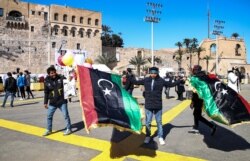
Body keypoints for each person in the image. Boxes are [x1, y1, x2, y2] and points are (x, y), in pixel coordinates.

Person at [133, 67, 180, 145]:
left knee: (159, 122)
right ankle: (148, 136)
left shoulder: (161, 80)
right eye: (151, 73)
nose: (153, 75)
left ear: (157, 73)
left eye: (155, 73)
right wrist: (128, 77)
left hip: (158, 104)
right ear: (150, 73)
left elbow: (170, 84)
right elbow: (136, 82)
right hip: (148, 104)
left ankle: (160, 137)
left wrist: (179, 81)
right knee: (148, 122)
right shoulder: (146, 80)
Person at [43, 66, 72, 136]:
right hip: (52, 103)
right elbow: (46, 92)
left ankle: (69, 128)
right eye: (52, 73)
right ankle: (49, 130)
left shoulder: (61, 78)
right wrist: (45, 102)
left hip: (62, 101)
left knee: (66, 115)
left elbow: (68, 83)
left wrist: (70, 79)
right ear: (49, 74)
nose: (54, 74)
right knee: (49, 116)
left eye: (54, 72)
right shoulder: (46, 81)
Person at [190, 65, 217, 136]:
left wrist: (192, 101)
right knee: (196, 114)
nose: (193, 71)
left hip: (199, 99)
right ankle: (196, 127)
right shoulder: (205, 76)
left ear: (196, 70)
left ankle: (212, 126)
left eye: (194, 69)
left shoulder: (197, 78)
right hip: (202, 99)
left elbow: (195, 91)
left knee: (197, 115)